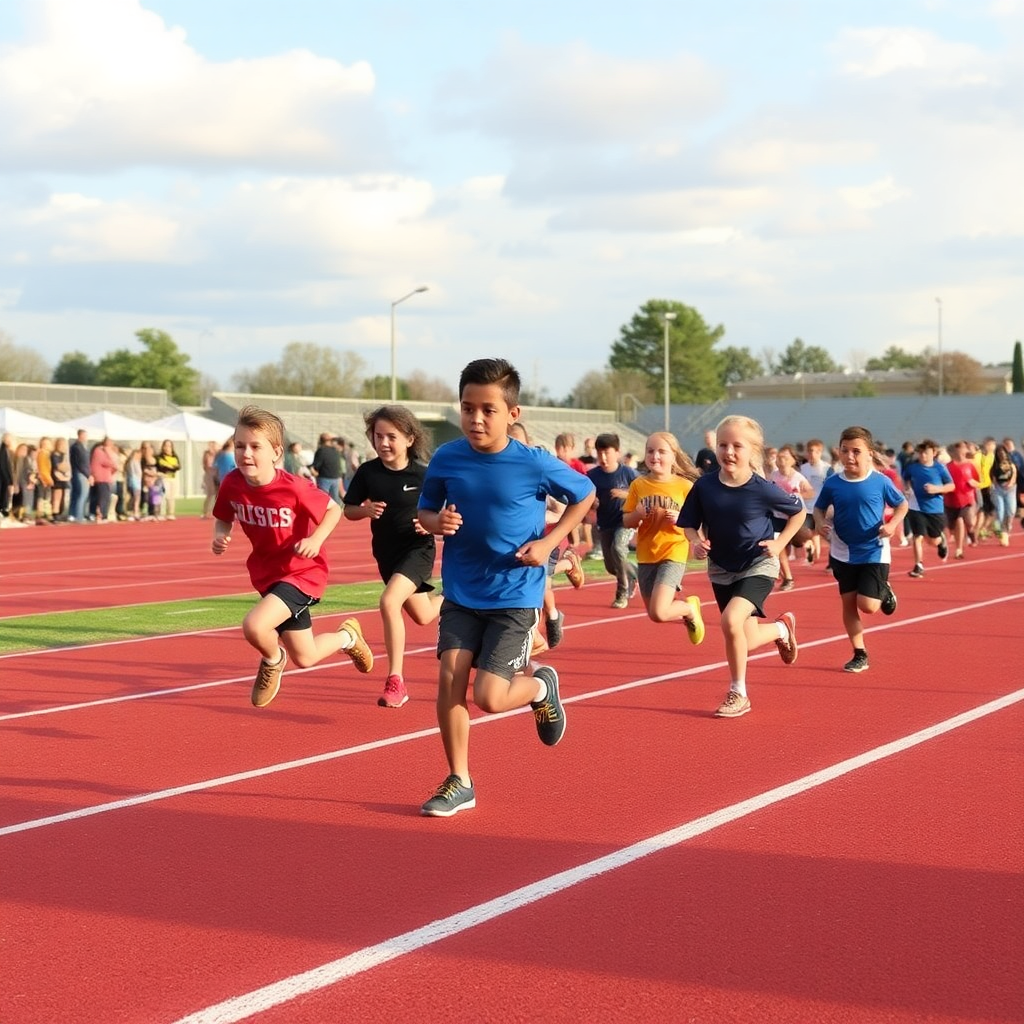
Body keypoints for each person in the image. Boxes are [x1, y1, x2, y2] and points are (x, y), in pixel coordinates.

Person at [416, 358, 596, 817]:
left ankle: (540, 688)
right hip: (461, 590)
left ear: (512, 413)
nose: (476, 419)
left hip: (515, 594)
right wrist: (439, 521)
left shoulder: (533, 462)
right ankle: (460, 780)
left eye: (488, 410)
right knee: (449, 681)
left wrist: (549, 542)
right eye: (468, 407)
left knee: (490, 697)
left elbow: (585, 495)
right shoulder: (447, 456)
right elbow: (425, 511)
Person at [211, 405, 374, 707]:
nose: (246, 453)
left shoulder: (294, 487)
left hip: (302, 573)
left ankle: (273, 659)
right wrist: (220, 535)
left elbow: (333, 509)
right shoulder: (233, 483)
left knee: (256, 626)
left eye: (255, 446)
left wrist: (315, 538)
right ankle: (348, 637)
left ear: (276, 452)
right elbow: (223, 516)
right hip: (267, 574)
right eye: (240, 446)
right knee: (307, 656)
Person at [678, 416, 804, 718]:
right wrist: (696, 541)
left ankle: (738, 692)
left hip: (758, 564)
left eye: (737, 446)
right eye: (723, 445)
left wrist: (780, 542)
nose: (729, 452)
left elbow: (797, 513)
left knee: (730, 621)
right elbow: (688, 526)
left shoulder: (762, 488)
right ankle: (780, 628)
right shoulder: (705, 486)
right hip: (721, 568)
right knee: (744, 640)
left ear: (753, 451)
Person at [343, 405, 444, 709]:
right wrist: (365, 510)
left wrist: (430, 523)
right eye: (378, 436)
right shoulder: (368, 472)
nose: (384, 443)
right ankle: (455, 594)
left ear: (410, 438)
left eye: (392, 436)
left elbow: (445, 513)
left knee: (389, 601)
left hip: (417, 549)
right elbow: (348, 509)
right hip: (386, 554)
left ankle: (395, 680)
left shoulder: (425, 474)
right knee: (424, 616)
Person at [813, 426, 908, 674]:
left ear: (869, 454)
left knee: (868, 606)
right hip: (842, 550)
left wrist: (893, 524)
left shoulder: (880, 481)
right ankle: (859, 653)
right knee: (848, 604)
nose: (850, 457)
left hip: (874, 549)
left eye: (856, 451)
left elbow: (902, 504)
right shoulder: (833, 483)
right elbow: (819, 508)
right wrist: (820, 522)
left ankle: (884, 591)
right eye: (845, 451)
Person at [508, 422, 585, 650]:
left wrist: (539, 519)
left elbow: (562, 510)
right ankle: (552, 616)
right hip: (519, 544)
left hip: (545, 540)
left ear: (528, 443)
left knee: (539, 586)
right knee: (542, 587)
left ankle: (534, 638)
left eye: (518, 441)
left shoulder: (537, 474)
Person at [622, 431, 705, 642]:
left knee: (660, 611)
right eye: (650, 451)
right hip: (647, 554)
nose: (655, 456)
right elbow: (626, 521)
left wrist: (681, 517)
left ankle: (688, 608)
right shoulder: (638, 486)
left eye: (661, 451)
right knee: (654, 614)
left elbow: (698, 521)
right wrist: (638, 514)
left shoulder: (685, 487)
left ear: (673, 456)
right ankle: (687, 608)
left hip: (673, 552)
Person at [588, 433, 639, 608]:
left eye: (607, 452)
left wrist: (625, 494)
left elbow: (644, 492)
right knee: (612, 567)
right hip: (605, 523)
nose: (603, 457)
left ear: (617, 452)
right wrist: (591, 503)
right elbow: (585, 499)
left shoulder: (628, 473)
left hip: (624, 520)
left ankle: (622, 593)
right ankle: (634, 571)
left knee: (618, 548)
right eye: (599, 453)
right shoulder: (592, 475)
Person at [903, 439, 953, 577]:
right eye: (921, 453)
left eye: (926, 453)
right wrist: (907, 488)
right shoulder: (912, 467)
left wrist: (937, 488)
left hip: (934, 508)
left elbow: (951, 486)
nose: (923, 456)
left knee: (933, 540)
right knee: (917, 536)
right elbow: (906, 479)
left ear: (934, 453)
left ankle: (940, 541)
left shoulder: (940, 468)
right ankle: (918, 565)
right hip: (916, 506)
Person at [768, 444, 814, 590]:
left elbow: (810, 493)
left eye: (785, 457)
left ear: (793, 460)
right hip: (776, 515)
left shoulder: (797, 477)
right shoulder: (774, 475)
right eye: (779, 457)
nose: (781, 460)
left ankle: (808, 545)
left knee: (796, 544)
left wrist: (798, 494)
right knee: (778, 545)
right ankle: (787, 578)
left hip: (794, 517)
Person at [943, 441, 981, 559]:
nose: (961, 452)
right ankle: (965, 536)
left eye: (963, 449)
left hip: (967, 499)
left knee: (967, 522)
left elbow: (978, 481)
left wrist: (972, 483)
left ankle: (959, 549)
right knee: (952, 526)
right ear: (953, 452)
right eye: (958, 450)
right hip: (951, 499)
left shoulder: (970, 465)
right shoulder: (947, 467)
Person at [798, 438, 831, 564]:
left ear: (820, 452)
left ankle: (829, 561)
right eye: (809, 451)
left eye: (815, 451)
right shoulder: (804, 468)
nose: (811, 454)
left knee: (820, 533)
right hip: (805, 507)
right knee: (805, 534)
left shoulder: (826, 469)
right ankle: (810, 556)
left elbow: (830, 488)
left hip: (820, 507)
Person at [989, 442, 1017, 545]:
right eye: (999, 453)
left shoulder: (1011, 464)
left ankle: (1008, 525)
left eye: (1003, 452)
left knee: (1011, 511)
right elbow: (993, 479)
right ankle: (1002, 533)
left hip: (1010, 489)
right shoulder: (995, 466)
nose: (1002, 455)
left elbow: (1014, 476)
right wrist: (995, 486)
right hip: (999, 490)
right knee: (1000, 511)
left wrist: (1010, 483)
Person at [311, 432, 344, 502]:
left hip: (324, 478)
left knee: (323, 499)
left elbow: (316, 466)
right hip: (336, 478)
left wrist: (313, 470)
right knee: (334, 500)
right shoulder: (335, 450)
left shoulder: (321, 450)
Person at [68, 429, 91, 522]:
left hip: (79, 472)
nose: (86, 438)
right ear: (80, 435)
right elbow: (81, 463)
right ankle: (79, 515)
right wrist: (88, 475)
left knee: (76, 494)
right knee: (82, 494)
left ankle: (73, 514)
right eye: (84, 435)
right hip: (80, 473)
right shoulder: (77, 447)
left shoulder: (82, 447)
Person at [155, 439, 181, 519]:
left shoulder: (174, 457)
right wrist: (171, 467)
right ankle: (160, 513)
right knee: (163, 496)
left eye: (169, 446)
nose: (167, 448)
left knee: (172, 496)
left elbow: (178, 467)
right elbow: (163, 467)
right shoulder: (159, 457)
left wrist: (171, 467)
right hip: (164, 478)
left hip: (173, 478)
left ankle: (170, 513)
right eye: (165, 446)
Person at [201, 440, 219, 518]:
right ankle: (206, 512)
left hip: (217, 475)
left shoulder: (219, 455)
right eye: (211, 445)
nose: (213, 447)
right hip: (209, 475)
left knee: (217, 494)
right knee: (210, 493)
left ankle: (215, 511)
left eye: (214, 445)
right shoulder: (207, 454)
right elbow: (206, 465)